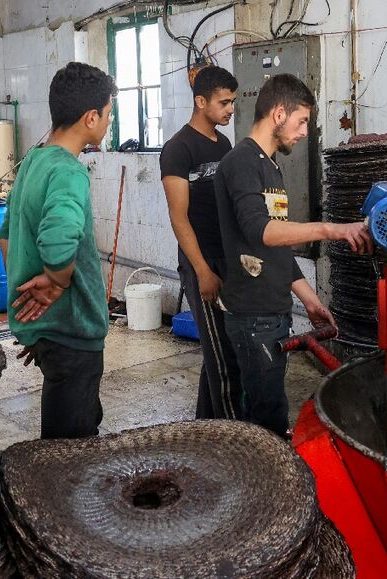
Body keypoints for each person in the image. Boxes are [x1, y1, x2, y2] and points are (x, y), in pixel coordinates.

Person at [214, 73, 373, 437]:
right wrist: (331, 229)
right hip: (253, 315)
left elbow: (278, 248)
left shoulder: (271, 167)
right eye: (302, 121)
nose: (304, 132)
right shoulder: (241, 162)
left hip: (273, 310)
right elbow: (262, 231)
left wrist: (310, 301)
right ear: (279, 113)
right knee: (264, 420)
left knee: (269, 408)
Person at [0, 62, 117, 439]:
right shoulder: (68, 171)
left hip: (52, 331)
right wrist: (56, 284)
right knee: (69, 451)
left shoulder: (34, 160)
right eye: (109, 115)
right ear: (91, 117)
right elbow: (57, 238)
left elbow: (5, 236)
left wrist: (35, 312)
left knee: (75, 418)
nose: (109, 123)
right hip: (73, 331)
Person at [160, 66, 242, 420]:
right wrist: (203, 271)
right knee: (222, 358)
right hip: (201, 263)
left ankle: (204, 429)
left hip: (226, 258)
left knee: (222, 353)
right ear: (200, 101)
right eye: (224, 102)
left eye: (233, 102)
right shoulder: (178, 149)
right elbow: (179, 218)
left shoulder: (223, 144)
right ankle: (230, 438)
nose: (231, 109)